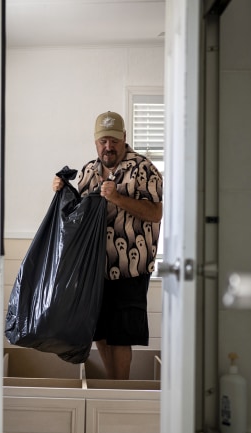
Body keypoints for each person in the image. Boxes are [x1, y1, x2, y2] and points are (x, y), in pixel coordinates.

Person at [52, 111, 163, 380]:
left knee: (120, 335)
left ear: (124, 138)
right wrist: (60, 191)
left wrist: (118, 199)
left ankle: (119, 391)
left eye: (114, 140)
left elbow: (156, 213)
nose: (109, 147)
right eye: (103, 141)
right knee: (99, 330)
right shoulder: (90, 170)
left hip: (130, 268)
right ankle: (111, 385)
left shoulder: (144, 169)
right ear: (95, 142)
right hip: (94, 268)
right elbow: (79, 213)